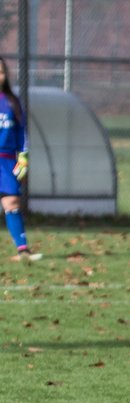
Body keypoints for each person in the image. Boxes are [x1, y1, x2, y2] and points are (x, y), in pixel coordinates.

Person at [0, 58, 38, 262]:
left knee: (12, 202)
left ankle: (23, 250)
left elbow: (22, 133)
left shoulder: (11, 102)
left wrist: (23, 158)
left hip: (5, 161)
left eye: (1, 72)